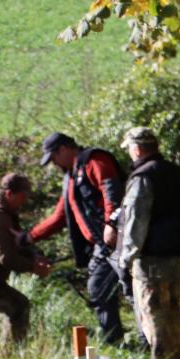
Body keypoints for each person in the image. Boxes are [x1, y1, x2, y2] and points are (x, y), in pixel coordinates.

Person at [29, 132, 127, 344]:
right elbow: (59, 217)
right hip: (101, 244)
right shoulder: (71, 178)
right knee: (105, 288)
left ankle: (121, 341)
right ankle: (118, 339)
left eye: (53, 157)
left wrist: (111, 225)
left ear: (64, 149)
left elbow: (112, 193)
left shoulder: (95, 160)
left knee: (110, 287)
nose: (54, 163)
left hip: (117, 239)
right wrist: (30, 236)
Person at [117, 126, 180, 359]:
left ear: (137, 149)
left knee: (152, 310)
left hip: (151, 256)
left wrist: (126, 256)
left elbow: (136, 220)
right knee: (173, 308)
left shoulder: (143, 177)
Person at [0, 173, 51, 344]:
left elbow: (13, 245)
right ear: (9, 194)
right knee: (19, 306)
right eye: (23, 196)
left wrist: (34, 257)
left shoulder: (6, 214)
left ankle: (8, 355)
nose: (25, 200)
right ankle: (11, 356)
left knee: (18, 305)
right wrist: (33, 267)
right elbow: (6, 257)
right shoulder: (0, 217)